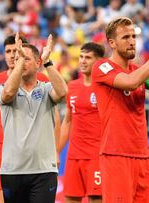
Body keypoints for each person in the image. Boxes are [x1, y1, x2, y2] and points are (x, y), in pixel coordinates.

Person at [91, 17, 149, 202]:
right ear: (112, 43)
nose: (132, 41)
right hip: (116, 155)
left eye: (133, 36)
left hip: (142, 155)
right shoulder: (102, 67)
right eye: (125, 37)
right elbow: (131, 82)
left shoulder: (138, 70)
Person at [0, 34, 56, 203]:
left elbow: (54, 117)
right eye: (8, 51)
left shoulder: (41, 79)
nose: (12, 55)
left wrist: (55, 150)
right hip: (2, 149)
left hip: (35, 156)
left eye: (16, 50)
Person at [0, 33, 67, 203]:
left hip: (43, 171)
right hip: (12, 171)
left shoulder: (46, 89)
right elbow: (7, 94)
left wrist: (48, 61)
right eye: (17, 59)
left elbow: (63, 92)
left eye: (25, 59)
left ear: (38, 63)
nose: (19, 61)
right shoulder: (3, 88)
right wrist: (20, 60)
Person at [58, 42, 105, 203]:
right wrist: (56, 151)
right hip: (74, 156)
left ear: (98, 61)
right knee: (70, 198)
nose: (83, 61)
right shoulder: (72, 86)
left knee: (97, 199)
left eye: (88, 58)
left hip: (97, 156)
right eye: (81, 57)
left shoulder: (105, 87)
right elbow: (68, 121)